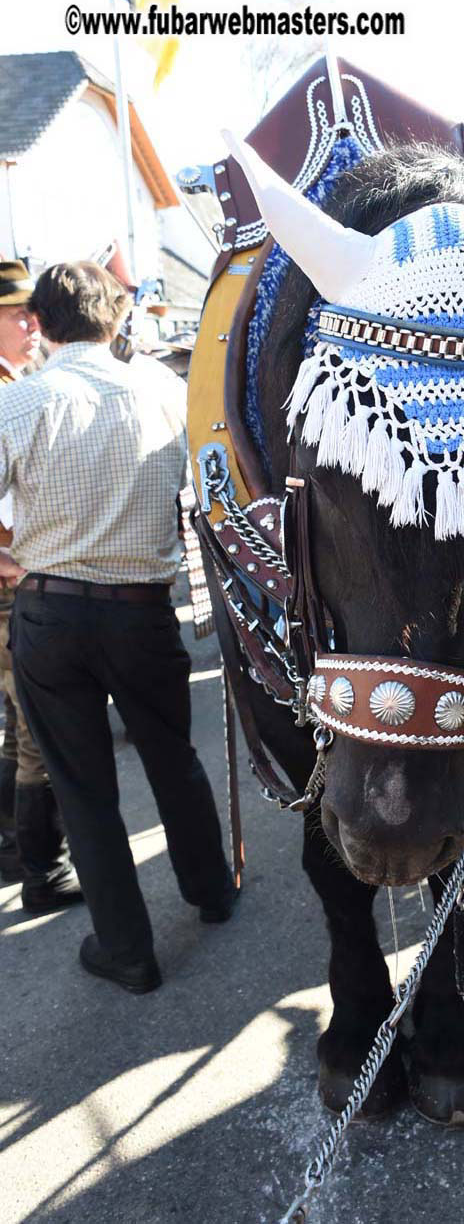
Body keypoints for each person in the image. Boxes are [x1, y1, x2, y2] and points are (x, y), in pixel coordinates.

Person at [2, 261, 235, 994]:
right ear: (115, 319)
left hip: (50, 608)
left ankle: (127, 949)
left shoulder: (20, 400)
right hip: (139, 608)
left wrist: (11, 560)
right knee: (172, 756)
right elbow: (213, 489)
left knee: (84, 787)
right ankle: (212, 889)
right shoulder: (164, 389)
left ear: (42, 322)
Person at [0, 260, 80, 908]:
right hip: (11, 586)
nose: (31, 325)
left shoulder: (18, 381)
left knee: (17, 721)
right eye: (15, 315)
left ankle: (12, 845)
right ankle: (43, 874)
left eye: (32, 314)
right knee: (38, 731)